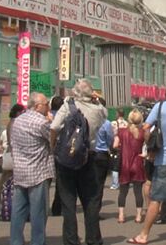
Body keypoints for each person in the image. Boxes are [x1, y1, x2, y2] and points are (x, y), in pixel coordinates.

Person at [127, 81, 166, 245]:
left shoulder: (160, 107)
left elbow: (146, 127)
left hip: (164, 159)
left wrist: (150, 145)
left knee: (156, 199)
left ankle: (144, 235)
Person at [49, 79, 108, 245]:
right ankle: (93, 238)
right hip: (89, 157)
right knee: (91, 200)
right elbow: (105, 112)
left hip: (67, 159)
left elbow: (54, 128)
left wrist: (53, 147)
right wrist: (95, 98)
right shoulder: (99, 110)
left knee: (68, 202)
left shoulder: (68, 106)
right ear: (91, 93)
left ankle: (71, 239)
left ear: (75, 93)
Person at [10, 92, 53, 245]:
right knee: (38, 214)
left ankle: (15, 241)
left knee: (18, 211)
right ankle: (37, 242)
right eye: (46, 104)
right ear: (37, 106)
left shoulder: (17, 120)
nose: (48, 106)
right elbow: (53, 141)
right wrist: (52, 122)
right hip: (38, 172)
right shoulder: (42, 122)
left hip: (20, 171)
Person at [114, 109, 146, 223]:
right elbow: (147, 146)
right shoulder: (142, 132)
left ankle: (121, 216)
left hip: (125, 163)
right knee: (138, 191)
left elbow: (115, 145)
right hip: (137, 163)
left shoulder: (122, 131)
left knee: (123, 191)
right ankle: (138, 216)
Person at [0, 104, 26, 222]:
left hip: (12, 154)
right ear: (17, 113)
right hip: (15, 156)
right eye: (23, 112)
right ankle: (9, 207)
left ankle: (7, 206)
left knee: (7, 182)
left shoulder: (12, 122)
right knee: (10, 183)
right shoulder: (15, 123)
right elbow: (13, 142)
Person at [93, 97, 114, 216]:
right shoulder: (106, 123)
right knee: (99, 185)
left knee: (90, 183)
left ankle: (90, 209)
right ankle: (95, 211)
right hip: (102, 154)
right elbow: (110, 139)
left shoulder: (89, 119)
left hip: (90, 153)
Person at [49, 96, 65, 217]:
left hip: (47, 152)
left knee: (45, 180)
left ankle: (42, 205)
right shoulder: (63, 117)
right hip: (60, 151)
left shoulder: (47, 116)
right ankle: (57, 207)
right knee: (60, 181)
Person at [110, 109, 128, 190]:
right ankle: (123, 180)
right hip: (125, 146)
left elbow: (110, 134)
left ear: (117, 114)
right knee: (123, 164)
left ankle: (115, 184)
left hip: (116, 146)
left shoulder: (114, 123)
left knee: (115, 166)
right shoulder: (127, 123)